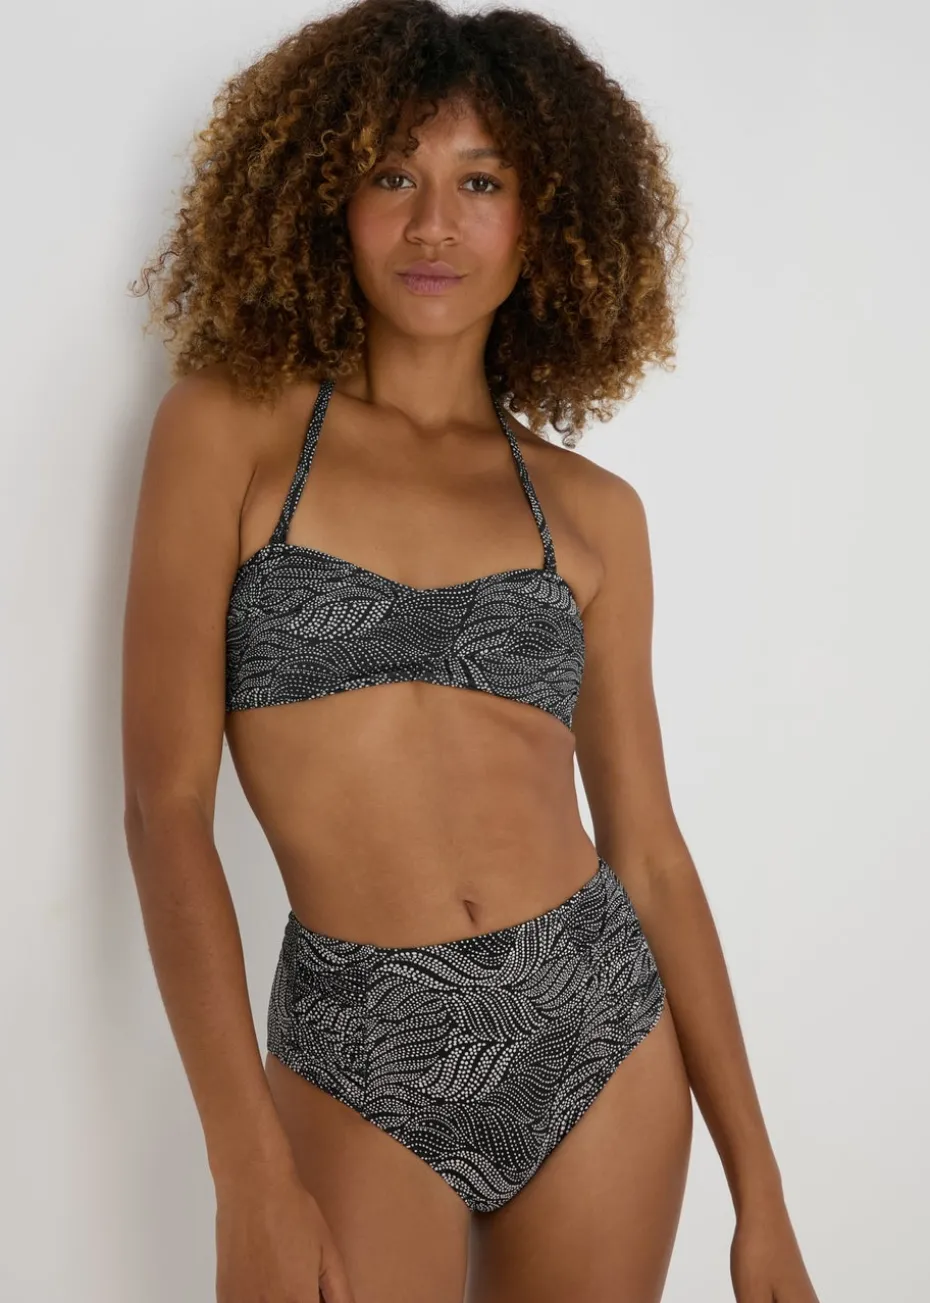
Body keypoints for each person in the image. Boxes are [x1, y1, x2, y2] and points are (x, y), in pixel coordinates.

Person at [122, 2, 820, 1300]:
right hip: (357, 1037)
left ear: (543, 221)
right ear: (328, 199)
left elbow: (651, 854)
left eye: (480, 183)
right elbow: (166, 811)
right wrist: (247, 1173)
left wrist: (762, 1193)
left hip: (595, 1023)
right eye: (394, 176)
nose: (433, 224)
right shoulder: (228, 433)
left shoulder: (591, 512)